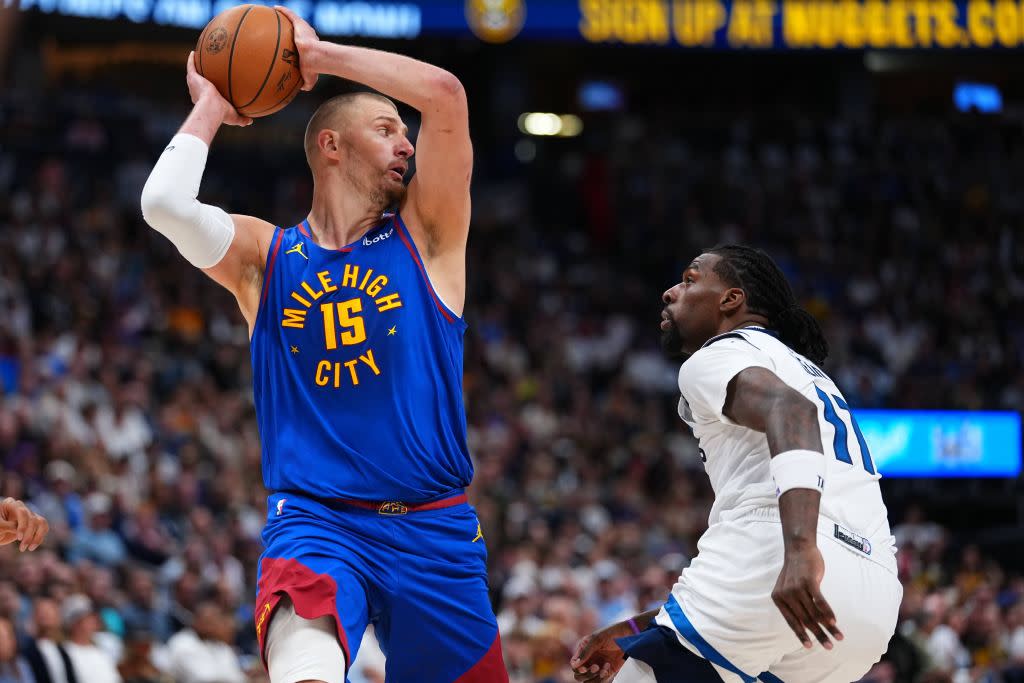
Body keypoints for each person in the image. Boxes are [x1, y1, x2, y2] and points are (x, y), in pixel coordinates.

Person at [140, 8, 506, 683]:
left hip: (437, 529)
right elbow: (164, 205)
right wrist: (214, 105)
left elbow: (446, 96)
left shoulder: (428, 234)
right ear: (331, 145)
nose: (407, 144)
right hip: (316, 522)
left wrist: (320, 54)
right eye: (386, 129)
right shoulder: (265, 256)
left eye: (406, 133)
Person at [571, 245, 902, 683]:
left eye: (689, 280)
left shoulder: (719, 354)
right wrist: (636, 629)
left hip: (787, 553)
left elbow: (791, 411)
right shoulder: (808, 372)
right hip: (871, 600)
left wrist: (800, 549)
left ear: (731, 299)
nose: (670, 292)